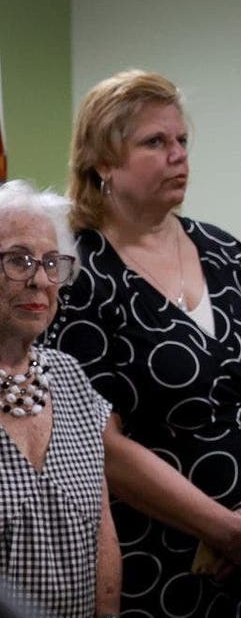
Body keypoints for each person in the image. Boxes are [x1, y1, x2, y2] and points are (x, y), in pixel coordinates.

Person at [43, 70, 241, 616]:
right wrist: (226, 528)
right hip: (154, 561)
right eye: (154, 142)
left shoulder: (223, 249)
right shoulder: (79, 272)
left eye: (182, 140)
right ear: (102, 162)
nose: (178, 156)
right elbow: (101, 441)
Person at [0, 181, 119, 617]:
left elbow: (103, 529)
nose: (39, 279)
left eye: (52, 263)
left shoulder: (71, 379)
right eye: (18, 260)